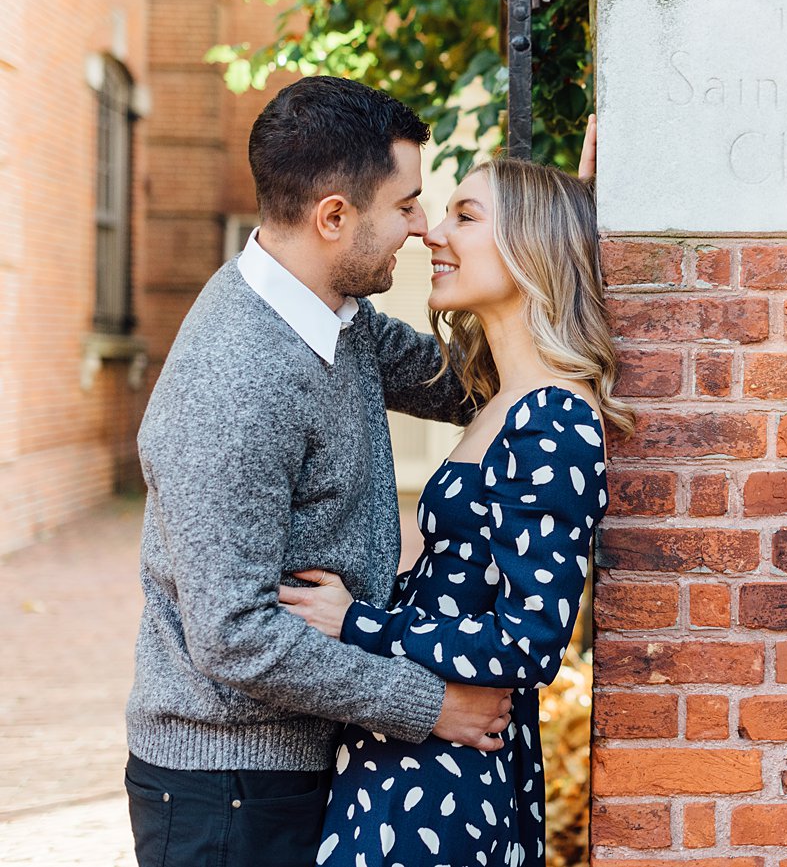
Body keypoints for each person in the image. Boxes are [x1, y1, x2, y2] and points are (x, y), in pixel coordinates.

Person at [124, 77, 521, 867]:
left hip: (293, 766)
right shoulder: (235, 378)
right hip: (225, 792)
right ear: (334, 216)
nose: (420, 228)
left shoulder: (338, 318)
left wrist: (546, 253)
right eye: (406, 205)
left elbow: (461, 381)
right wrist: (431, 703)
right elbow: (235, 637)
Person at [280, 157, 632, 867]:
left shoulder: (554, 419)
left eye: (464, 216)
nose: (433, 234)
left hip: (444, 777)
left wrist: (356, 621)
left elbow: (530, 643)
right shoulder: (501, 401)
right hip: (414, 743)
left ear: (534, 245)